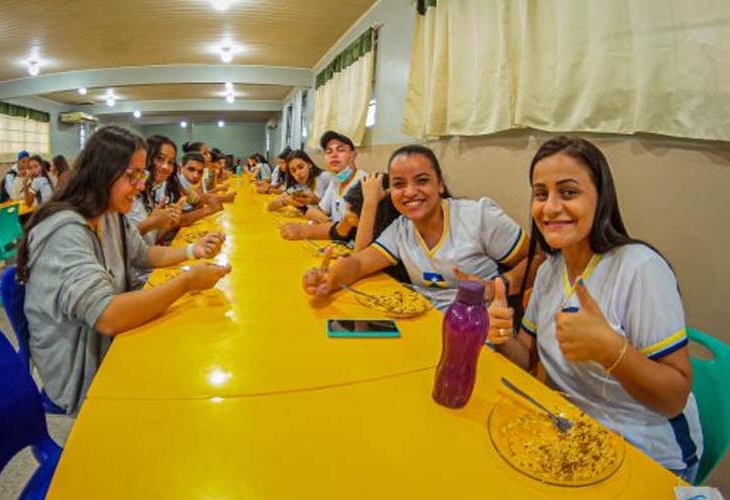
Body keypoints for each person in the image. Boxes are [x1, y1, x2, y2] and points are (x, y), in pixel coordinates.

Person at [487, 136, 702, 482]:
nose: (551, 207)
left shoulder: (640, 268)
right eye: (541, 194)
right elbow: (526, 357)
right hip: (571, 434)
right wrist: (500, 336)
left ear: (601, 199)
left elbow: (674, 397)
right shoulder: (548, 270)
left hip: (647, 454)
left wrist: (611, 351)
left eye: (569, 193)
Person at [17, 125, 231, 414]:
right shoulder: (64, 232)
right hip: (81, 366)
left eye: (141, 176)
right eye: (132, 176)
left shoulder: (109, 214)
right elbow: (107, 316)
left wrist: (193, 251)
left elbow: (143, 255)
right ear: (101, 174)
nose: (141, 185)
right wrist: (186, 282)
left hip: (105, 337)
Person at [302, 144, 528, 311]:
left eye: (421, 181)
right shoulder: (401, 228)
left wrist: (498, 285)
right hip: (424, 324)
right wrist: (329, 279)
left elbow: (536, 259)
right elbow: (360, 262)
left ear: (439, 184)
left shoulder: (478, 216)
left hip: (477, 330)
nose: (409, 192)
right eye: (399, 184)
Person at [280, 131, 366, 240]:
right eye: (329, 152)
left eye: (340, 150)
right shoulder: (335, 182)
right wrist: (301, 205)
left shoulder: (363, 183)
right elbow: (322, 214)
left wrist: (304, 231)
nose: (334, 155)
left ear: (353, 155)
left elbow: (348, 230)